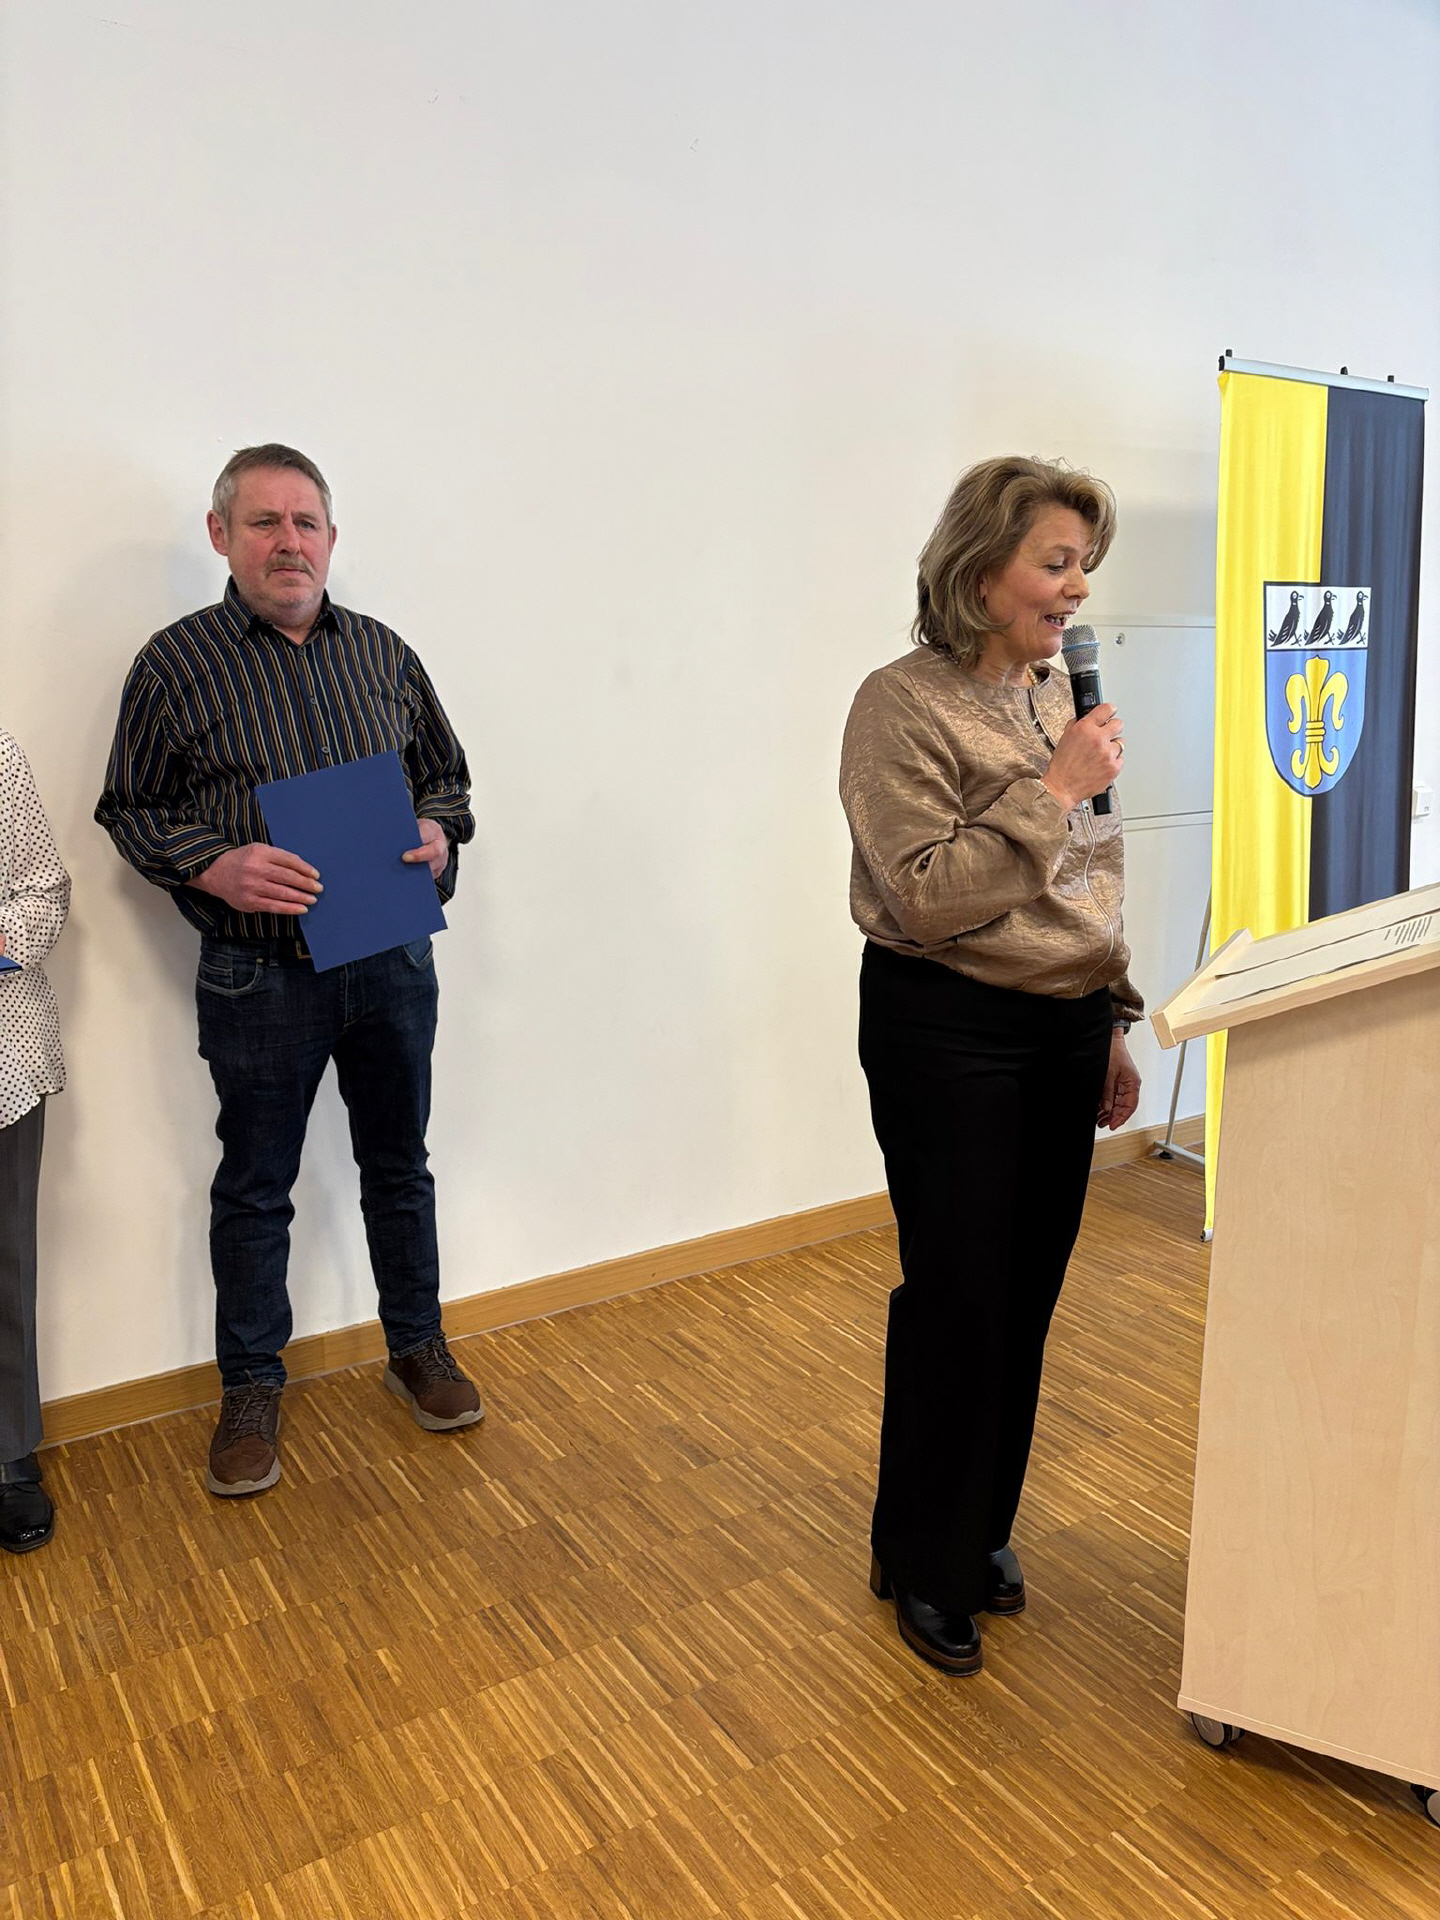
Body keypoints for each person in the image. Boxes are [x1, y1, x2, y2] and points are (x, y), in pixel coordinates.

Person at [96, 444, 483, 1499]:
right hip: (258, 976)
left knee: (398, 1165)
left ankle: (417, 1347)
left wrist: (438, 834)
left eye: (305, 522)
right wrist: (212, 864)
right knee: (255, 1188)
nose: (288, 542)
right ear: (221, 535)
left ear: (331, 538)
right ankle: (251, 1389)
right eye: (263, 522)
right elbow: (130, 807)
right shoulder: (175, 665)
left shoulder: (385, 655)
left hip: (391, 959)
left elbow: (448, 782)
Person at [839, 455, 1142, 1675]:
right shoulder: (899, 705)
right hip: (947, 1026)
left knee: (1024, 1297)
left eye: (1084, 566)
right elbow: (924, 897)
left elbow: (1094, 876)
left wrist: (1111, 1014)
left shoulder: (1061, 693)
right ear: (979, 572)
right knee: (959, 1296)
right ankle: (923, 1555)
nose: (1077, 589)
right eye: (1055, 563)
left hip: (1065, 1026)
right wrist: (1052, 790)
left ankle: (975, 1528)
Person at [0, 728, 70, 1552]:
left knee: (4, 1258)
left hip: (2, 1058)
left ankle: (7, 1448)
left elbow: (45, 896)